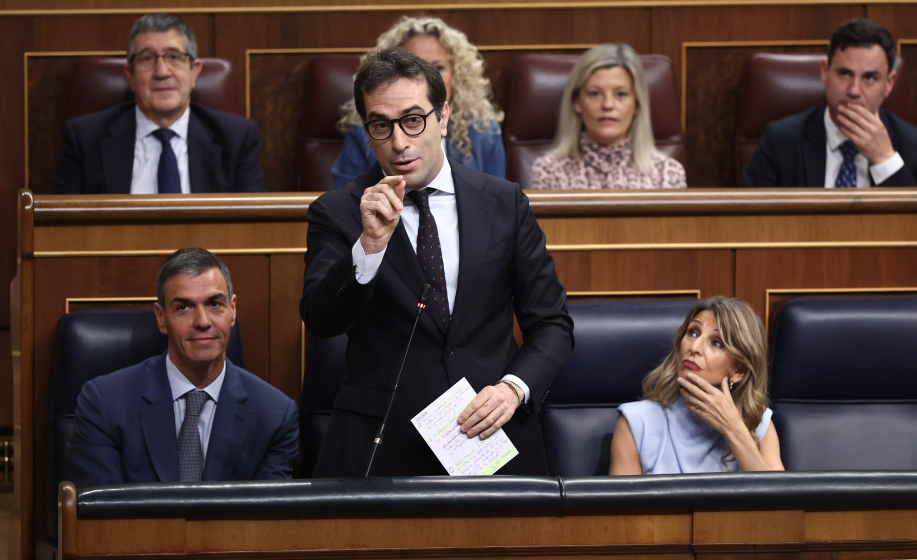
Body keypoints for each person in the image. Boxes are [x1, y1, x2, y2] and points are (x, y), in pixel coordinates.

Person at [301, 48, 573, 477]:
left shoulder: (504, 202)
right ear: (367, 131)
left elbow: (552, 325)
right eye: (380, 126)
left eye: (413, 120)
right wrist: (369, 245)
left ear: (443, 117)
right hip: (382, 446)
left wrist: (512, 390)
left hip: (492, 437)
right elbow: (321, 320)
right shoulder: (338, 212)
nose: (399, 142)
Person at [68, 248, 298, 487]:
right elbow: (102, 517)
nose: (202, 322)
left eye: (214, 304)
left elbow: (267, 520)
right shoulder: (105, 403)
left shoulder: (274, 415)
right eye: (183, 307)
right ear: (161, 318)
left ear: (233, 310)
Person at [52, 13, 266, 194]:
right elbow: (61, 230)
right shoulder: (84, 138)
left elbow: (255, 227)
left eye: (174, 57)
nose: (162, 72)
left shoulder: (237, 138)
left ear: (194, 71)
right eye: (147, 59)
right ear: (130, 74)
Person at [740, 18, 917, 187]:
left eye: (869, 78)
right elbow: (750, 223)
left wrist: (884, 159)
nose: (853, 91)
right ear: (825, 72)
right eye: (844, 74)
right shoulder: (781, 141)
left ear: (889, 83)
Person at [609, 296, 783, 474]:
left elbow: (779, 500)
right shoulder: (638, 423)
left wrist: (734, 429)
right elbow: (622, 502)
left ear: (739, 370)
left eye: (716, 343)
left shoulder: (759, 425)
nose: (695, 347)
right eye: (693, 333)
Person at [330, 16, 505, 190]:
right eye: (414, 67)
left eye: (438, 68)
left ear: (457, 75)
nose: (429, 78)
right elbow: (344, 203)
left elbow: (496, 204)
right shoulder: (364, 132)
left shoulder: (483, 131)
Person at [530, 43, 686, 190]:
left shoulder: (667, 173)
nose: (608, 105)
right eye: (595, 93)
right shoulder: (549, 172)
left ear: (637, 104)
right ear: (577, 102)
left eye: (620, 94)